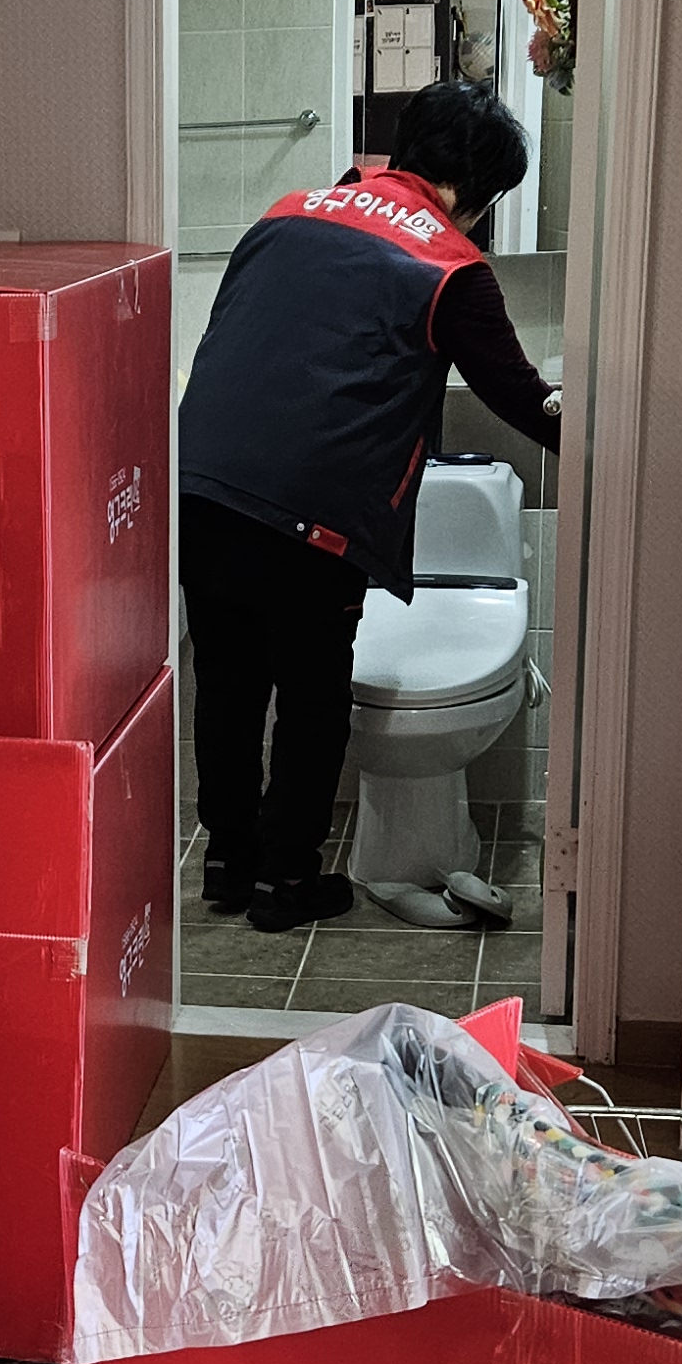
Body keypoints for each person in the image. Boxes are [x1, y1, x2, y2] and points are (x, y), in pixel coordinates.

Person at [175, 77, 566, 935]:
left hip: (201, 482)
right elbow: (516, 393)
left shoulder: (285, 212)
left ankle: (228, 865)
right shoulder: (449, 264)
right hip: (312, 510)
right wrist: (605, 443)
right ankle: (285, 882)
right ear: (471, 189)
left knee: (228, 683)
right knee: (312, 697)